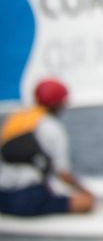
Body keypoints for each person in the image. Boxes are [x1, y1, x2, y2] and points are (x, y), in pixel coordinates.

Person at [0, 78, 95, 216]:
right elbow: (63, 174)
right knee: (86, 203)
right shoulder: (51, 127)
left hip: (3, 196)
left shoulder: (15, 119)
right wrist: (86, 191)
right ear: (58, 103)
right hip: (26, 199)